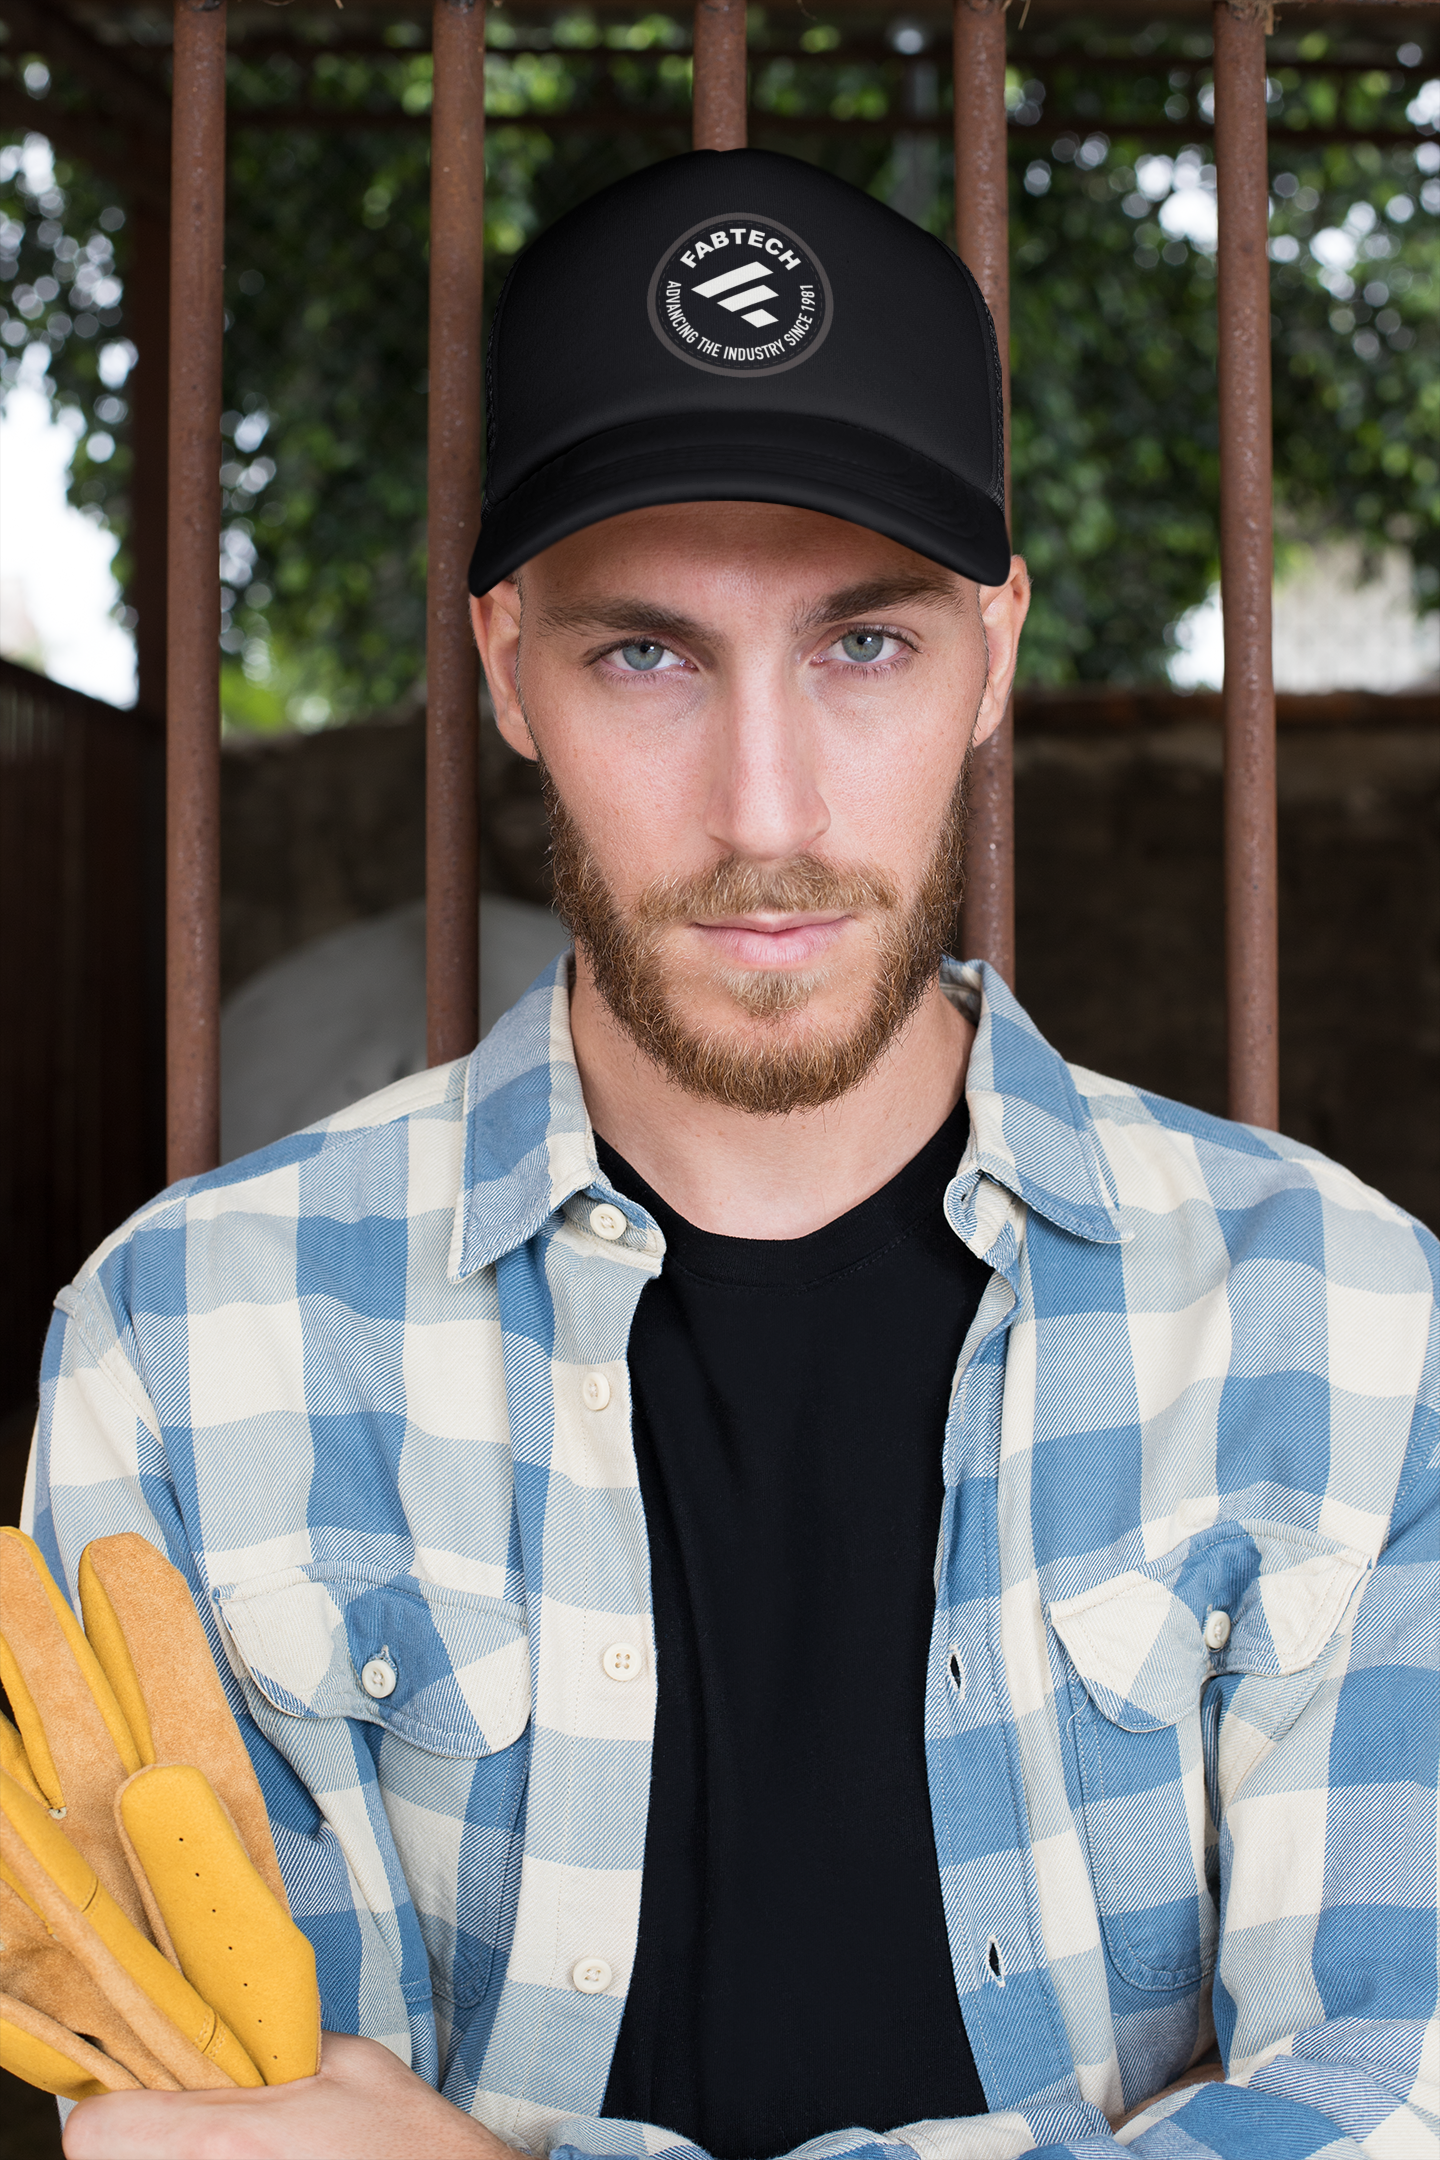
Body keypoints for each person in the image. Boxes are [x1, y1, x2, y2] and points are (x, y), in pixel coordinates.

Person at [33, 151, 1435, 2160]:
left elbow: (1393, 2097)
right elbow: (188, 2120)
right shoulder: (186, 1344)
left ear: (995, 654)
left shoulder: (1348, 1331)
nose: (766, 811)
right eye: (647, 654)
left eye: (865, 647)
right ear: (506, 667)